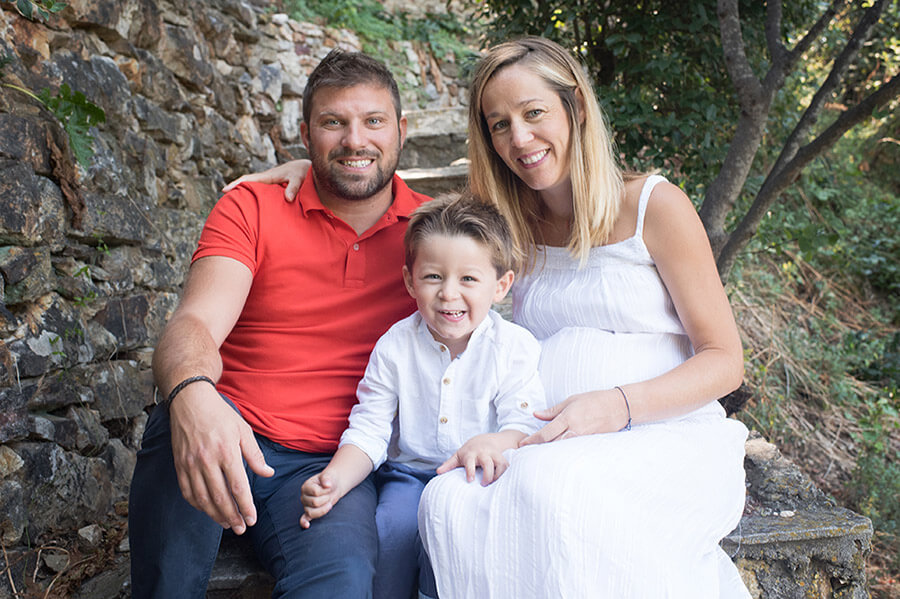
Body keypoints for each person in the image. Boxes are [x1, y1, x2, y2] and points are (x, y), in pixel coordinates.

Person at [243, 36, 751, 598]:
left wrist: (617, 405)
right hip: (545, 436)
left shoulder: (654, 206)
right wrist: (310, 168)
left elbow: (726, 362)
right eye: (499, 124)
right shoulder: (508, 219)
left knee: (553, 498)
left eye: (534, 114)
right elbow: (410, 209)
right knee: (452, 503)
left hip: (658, 432)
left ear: (575, 108)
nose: (520, 139)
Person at [128, 48, 432, 599]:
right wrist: (194, 397)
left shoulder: (435, 232)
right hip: (223, 425)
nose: (355, 140)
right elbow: (194, 321)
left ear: (402, 130)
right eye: (333, 122)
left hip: (330, 464)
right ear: (305, 133)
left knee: (339, 584)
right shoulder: (253, 207)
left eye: (373, 121)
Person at [299, 193, 546, 599]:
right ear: (410, 280)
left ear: (501, 286)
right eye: (434, 277)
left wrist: (494, 441)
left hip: (478, 478)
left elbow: (524, 424)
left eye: (468, 279)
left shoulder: (513, 347)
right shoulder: (395, 346)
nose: (449, 293)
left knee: (457, 545)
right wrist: (335, 479)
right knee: (391, 532)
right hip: (408, 476)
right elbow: (369, 428)